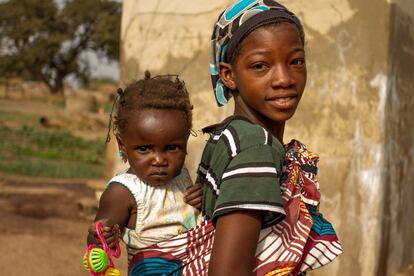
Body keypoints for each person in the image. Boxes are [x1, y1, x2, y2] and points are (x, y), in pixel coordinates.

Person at [197, 0, 342, 275]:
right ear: (228, 75)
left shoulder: (228, 134)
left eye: (296, 61)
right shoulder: (256, 148)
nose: (284, 78)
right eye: (261, 66)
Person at [86, 71, 202, 271]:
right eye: (144, 149)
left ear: (185, 141)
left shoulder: (182, 175)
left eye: (172, 148)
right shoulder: (122, 192)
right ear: (122, 145)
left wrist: (201, 200)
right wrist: (102, 235)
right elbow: (98, 241)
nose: (159, 160)